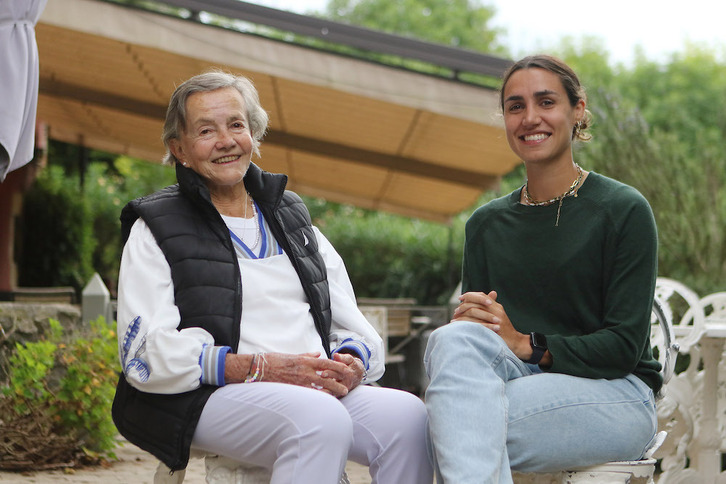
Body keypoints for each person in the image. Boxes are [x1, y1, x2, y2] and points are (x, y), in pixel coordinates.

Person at [111, 70, 433, 484]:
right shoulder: (156, 225)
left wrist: (351, 361)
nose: (225, 141)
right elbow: (143, 352)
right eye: (206, 130)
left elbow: (352, 323)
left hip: (312, 387)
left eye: (236, 125)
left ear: (253, 135)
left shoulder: (290, 218)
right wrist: (254, 367)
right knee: (318, 420)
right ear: (180, 149)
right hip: (212, 395)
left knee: (408, 417)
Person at [423, 55, 662, 483]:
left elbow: (624, 345)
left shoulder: (622, 210)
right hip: (516, 380)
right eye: (516, 106)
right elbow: (480, 342)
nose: (530, 117)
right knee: (452, 338)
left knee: (444, 430)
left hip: (615, 392)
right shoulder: (486, 224)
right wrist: (481, 326)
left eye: (546, 101)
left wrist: (529, 344)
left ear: (578, 110)